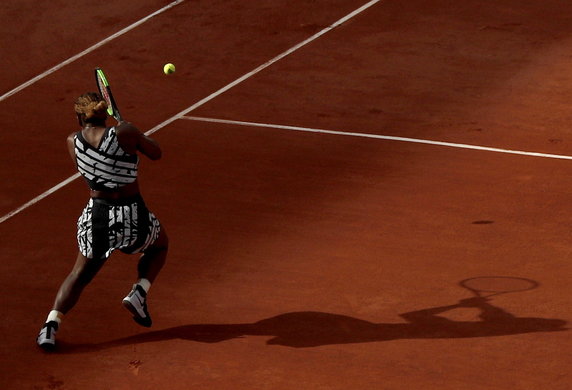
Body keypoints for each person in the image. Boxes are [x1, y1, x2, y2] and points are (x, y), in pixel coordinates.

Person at [36, 92, 168, 350]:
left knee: (79, 274)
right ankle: (139, 292)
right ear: (104, 112)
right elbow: (156, 152)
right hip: (132, 215)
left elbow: (92, 170)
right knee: (160, 244)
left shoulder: (72, 141)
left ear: (78, 117)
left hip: (96, 218)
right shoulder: (124, 132)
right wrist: (135, 133)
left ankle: (50, 327)